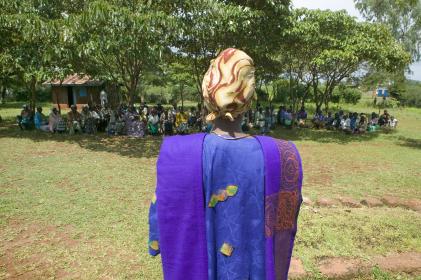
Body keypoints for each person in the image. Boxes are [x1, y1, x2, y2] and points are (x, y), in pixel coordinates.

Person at [148, 48, 303, 280]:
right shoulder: (282, 154)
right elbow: (286, 219)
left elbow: (162, 213)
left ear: (207, 95)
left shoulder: (177, 153)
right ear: (249, 100)